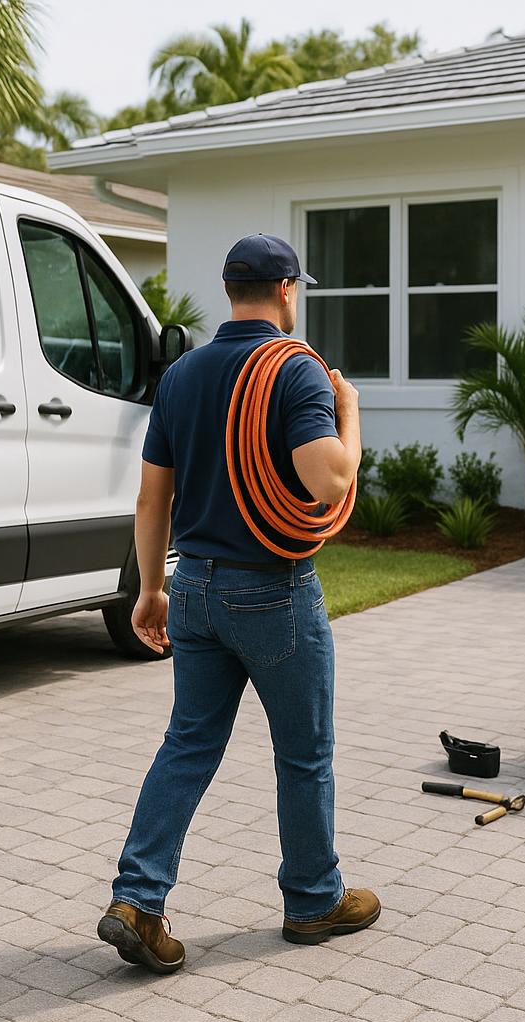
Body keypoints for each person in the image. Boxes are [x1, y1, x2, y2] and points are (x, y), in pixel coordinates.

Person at [98, 234, 379, 975]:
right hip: (273, 591)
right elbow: (329, 482)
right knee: (304, 753)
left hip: (192, 588)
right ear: (288, 290)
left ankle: (137, 901)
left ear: (230, 290)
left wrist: (152, 588)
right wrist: (350, 409)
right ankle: (315, 898)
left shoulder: (183, 374)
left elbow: (151, 495)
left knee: (187, 745)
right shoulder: (300, 372)